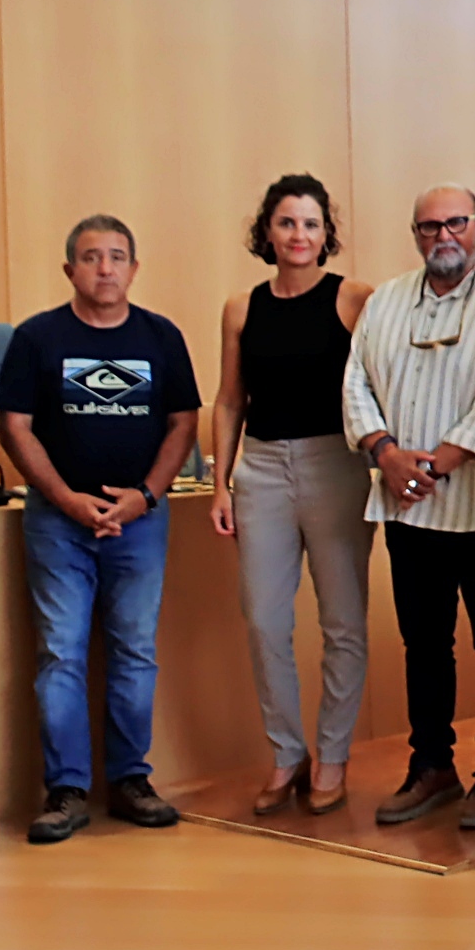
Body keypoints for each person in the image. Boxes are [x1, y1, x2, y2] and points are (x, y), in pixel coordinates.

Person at [0, 214, 202, 845]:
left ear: (134, 269)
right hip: (57, 522)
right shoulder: (37, 338)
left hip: (140, 522)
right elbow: (14, 426)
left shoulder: (161, 337)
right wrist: (64, 498)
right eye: (90, 257)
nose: (104, 268)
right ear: (70, 270)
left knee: (134, 651)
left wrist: (146, 496)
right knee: (60, 652)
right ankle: (66, 790)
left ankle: (131, 780)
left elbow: (184, 423)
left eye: (116, 257)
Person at [343, 184, 475, 833]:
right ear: (416, 234)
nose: (443, 236)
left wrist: (435, 464)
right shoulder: (386, 302)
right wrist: (386, 453)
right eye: (430, 226)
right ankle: (431, 765)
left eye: (456, 223)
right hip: (405, 508)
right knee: (424, 644)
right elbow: (355, 382)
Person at [211, 173, 376, 815]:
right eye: (286, 223)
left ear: (326, 232)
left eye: (311, 223)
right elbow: (230, 400)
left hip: (336, 463)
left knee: (344, 622)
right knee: (264, 620)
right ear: (267, 231)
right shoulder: (241, 307)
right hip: (260, 469)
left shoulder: (354, 299)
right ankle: (287, 754)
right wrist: (221, 483)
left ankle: (333, 755)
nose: (299, 235)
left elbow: (379, 387)